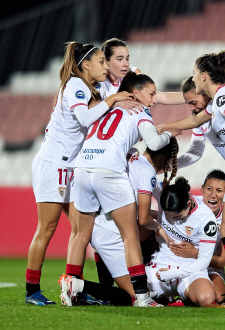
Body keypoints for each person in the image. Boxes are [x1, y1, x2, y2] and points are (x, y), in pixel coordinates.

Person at [26, 42, 134, 305]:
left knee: (81, 230)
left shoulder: (88, 88)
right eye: (101, 61)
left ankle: (75, 287)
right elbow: (85, 119)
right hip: (54, 164)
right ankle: (32, 290)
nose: (106, 66)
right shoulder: (75, 84)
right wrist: (112, 99)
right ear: (86, 65)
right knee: (47, 228)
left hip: (71, 166)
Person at [61, 72, 180, 307]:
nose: (154, 100)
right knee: (130, 235)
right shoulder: (139, 111)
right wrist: (169, 133)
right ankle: (142, 297)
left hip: (83, 168)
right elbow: (154, 144)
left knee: (79, 234)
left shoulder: (107, 105)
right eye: (151, 93)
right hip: (108, 171)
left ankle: (70, 286)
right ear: (135, 93)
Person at [158, 51, 225, 308]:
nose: (192, 105)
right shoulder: (211, 110)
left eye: (193, 100)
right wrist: (165, 144)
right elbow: (193, 136)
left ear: (203, 80)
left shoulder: (223, 96)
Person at [89, 138, 179, 299]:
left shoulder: (132, 157)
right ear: (165, 157)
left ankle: (102, 288)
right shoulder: (147, 172)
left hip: (100, 223)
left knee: (119, 293)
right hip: (112, 235)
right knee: (142, 296)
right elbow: (143, 219)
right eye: (172, 160)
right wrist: (159, 228)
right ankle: (78, 286)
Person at [148, 177, 218, 307]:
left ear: (189, 204)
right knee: (133, 291)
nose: (172, 219)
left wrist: (172, 274)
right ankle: (170, 300)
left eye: (178, 217)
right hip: (159, 268)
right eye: (167, 216)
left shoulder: (206, 218)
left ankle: (173, 299)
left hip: (190, 270)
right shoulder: (163, 195)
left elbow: (204, 260)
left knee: (206, 298)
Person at [167, 169, 225, 302]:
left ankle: (183, 301)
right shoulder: (190, 204)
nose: (213, 195)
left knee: (218, 299)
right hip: (182, 262)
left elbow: (222, 261)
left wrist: (195, 252)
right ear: (201, 189)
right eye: (209, 189)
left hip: (211, 266)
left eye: (219, 190)